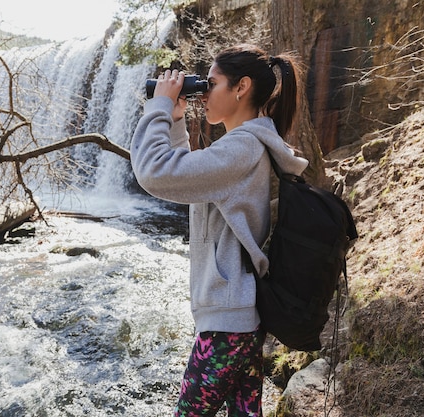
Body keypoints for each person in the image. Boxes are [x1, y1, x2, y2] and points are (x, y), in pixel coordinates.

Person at [130, 44, 310, 416]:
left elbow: (154, 173)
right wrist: (177, 121)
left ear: (241, 87)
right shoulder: (243, 146)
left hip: (229, 322)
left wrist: (160, 108)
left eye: (210, 84)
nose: (203, 94)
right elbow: (184, 180)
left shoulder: (242, 147)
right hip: (241, 316)